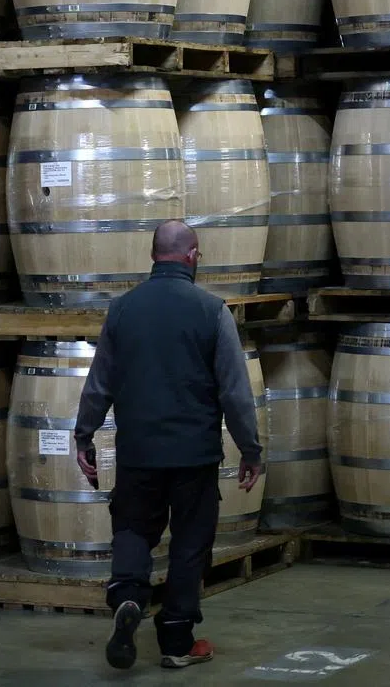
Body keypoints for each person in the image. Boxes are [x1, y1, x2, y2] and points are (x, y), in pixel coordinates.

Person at [74, 219, 262, 671]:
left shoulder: (121, 310)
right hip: (194, 455)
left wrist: (84, 436)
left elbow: (99, 383)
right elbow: (234, 392)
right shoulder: (212, 311)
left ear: (153, 256)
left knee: (134, 529)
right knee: (190, 543)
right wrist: (250, 449)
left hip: (139, 450)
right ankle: (177, 639)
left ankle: (127, 596)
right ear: (193, 256)